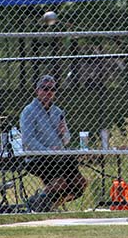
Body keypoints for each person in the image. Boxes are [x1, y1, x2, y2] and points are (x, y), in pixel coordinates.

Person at [20, 75, 87, 212]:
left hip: (59, 158)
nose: (48, 92)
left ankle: (45, 203)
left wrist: (63, 132)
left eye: (52, 89)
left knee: (80, 183)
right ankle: (38, 206)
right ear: (37, 90)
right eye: (45, 88)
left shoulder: (58, 111)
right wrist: (47, 150)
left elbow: (67, 140)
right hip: (37, 158)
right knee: (60, 183)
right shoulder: (29, 111)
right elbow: (28, 139)